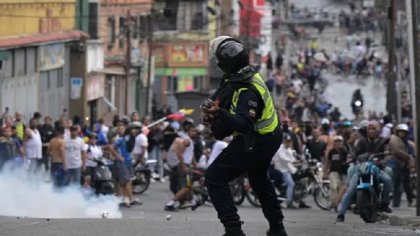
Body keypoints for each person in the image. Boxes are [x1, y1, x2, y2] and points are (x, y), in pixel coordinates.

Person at [202, 36, 286, 236]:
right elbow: (221, 94)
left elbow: (244, 124)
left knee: (214, 177)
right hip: (270, 136)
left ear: (224, 64)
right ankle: (277, 228)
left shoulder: (247, 89)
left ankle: (233, 229)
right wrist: (210, 106)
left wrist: (219, 113)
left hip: (257, 140)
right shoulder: (241, 75)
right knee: (259, 179)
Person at [336, 121, 392, 222]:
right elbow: (355, 152)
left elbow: (387, 154)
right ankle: (341, 213)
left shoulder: (383, 141)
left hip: (377, 168)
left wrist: (382, 161)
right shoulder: (362, 141)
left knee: (387, 180)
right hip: (362, 168)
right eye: (369, 129)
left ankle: (385, 203)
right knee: (350, 189)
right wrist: (351, 157)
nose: (371, 131)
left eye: (373, 128)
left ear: (378, 130)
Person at [388, 124, 415, 207]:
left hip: (403, 165)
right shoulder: (394, 139)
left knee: (402, 185)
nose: (402, 134)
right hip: (395, 163)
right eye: (401, 132)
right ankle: (387, 202)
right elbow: (397, 151)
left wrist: (411, 164)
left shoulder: (407, 142)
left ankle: (397, 203)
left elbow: (411, 153)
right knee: (392, 184)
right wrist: (408, 157)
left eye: (404, 132)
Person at [271, 134, 297, 209]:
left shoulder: (289, 149)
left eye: (289, 141)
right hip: (281, 170)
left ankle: (293, 200)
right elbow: (283, 158)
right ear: (284, 141)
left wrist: (299, 161)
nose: (288, 143)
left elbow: (293, 158)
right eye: (287, 141)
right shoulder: (280, 149)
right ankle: (287, 202)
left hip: (289, 170)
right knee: (291, 184)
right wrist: (293, 161)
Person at [326, 136, 349, 211]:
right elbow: (328, 162)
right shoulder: (331, 151)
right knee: (333, 187)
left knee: (341, 189)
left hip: (342, 172)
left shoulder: (344, 151)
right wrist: (325, 171)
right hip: (333, 171)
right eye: (336, 141)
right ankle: (333, 203)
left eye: (339, 141)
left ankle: (337, 204)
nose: (338, 143)